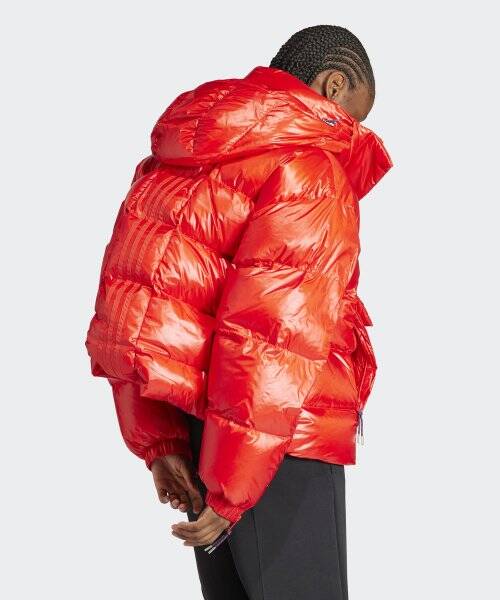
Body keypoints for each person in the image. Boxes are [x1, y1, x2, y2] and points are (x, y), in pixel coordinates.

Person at [85, 24, 393, 600]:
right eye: (356, 115)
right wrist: (234, 486)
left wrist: (163, 442)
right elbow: (273, 338)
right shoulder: (310, 170)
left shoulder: (183, 152)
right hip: (275, 439)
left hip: (202, 429)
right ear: (333, 85)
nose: (354, 133)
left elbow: (133, 308)